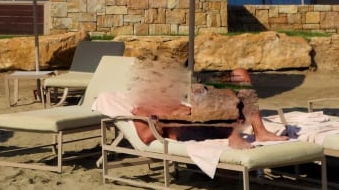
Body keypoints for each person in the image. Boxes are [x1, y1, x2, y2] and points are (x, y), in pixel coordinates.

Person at [124, 63, 289, 150]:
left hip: (210, 119)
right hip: (191, 131)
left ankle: (260, 131)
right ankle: (234, 136)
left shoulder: (174, 98)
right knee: (206, 96)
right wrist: (164, 119)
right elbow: (145, 138)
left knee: (239, 74)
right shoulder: (142, 109)